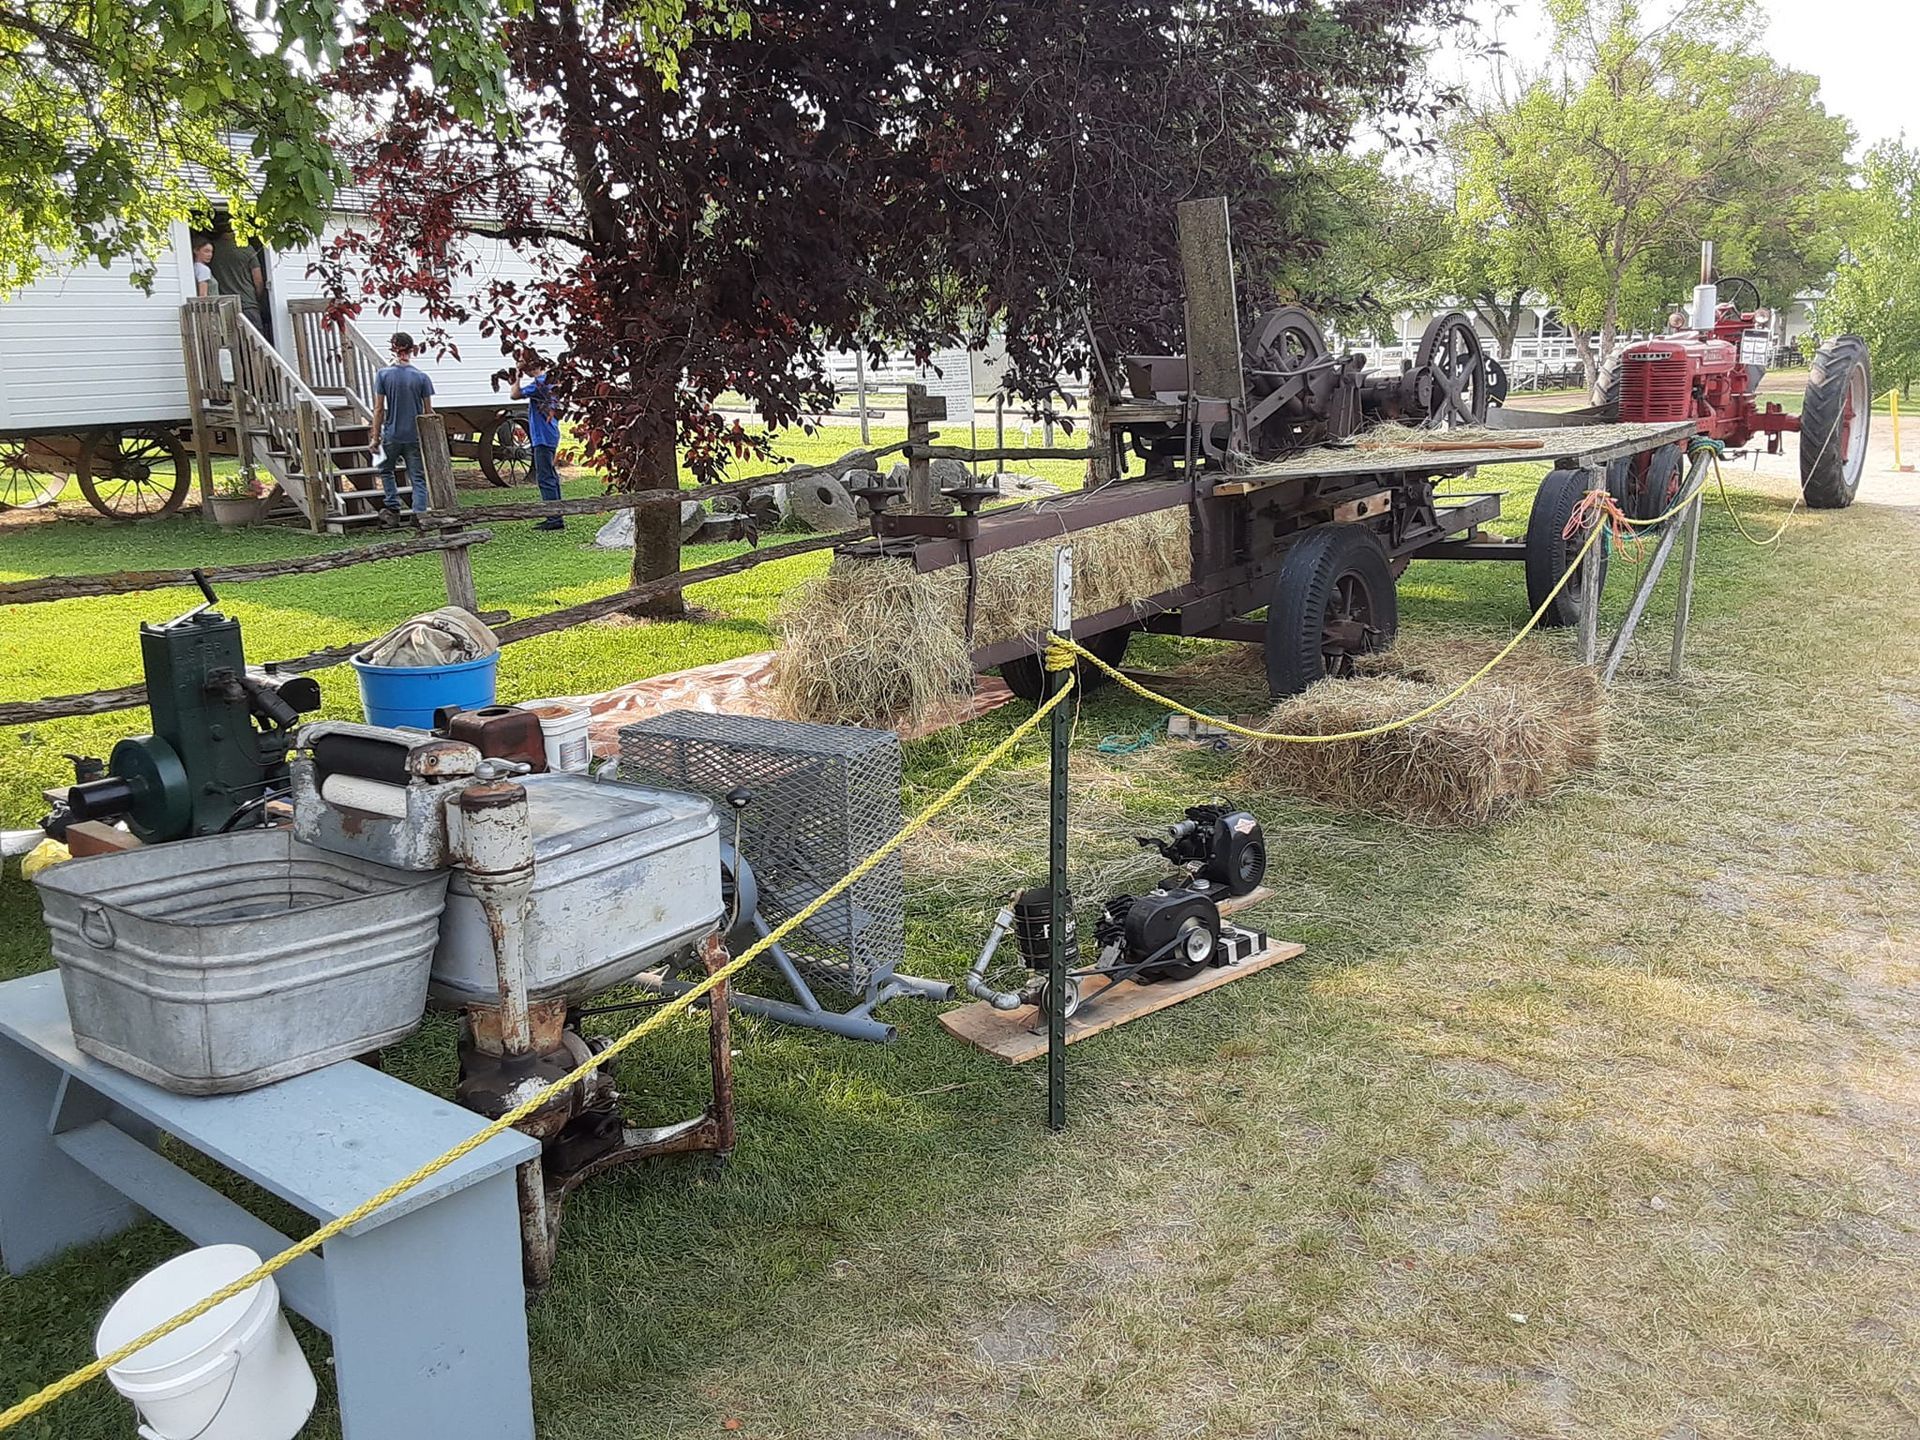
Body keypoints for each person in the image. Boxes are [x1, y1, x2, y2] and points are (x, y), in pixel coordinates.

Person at [370, 333, 436, 526]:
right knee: (417, 475)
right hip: (414, 434)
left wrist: (375, 437)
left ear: (393, 349)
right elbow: (428, 412)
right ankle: (419, 513)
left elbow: (379, 408)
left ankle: (392, 507)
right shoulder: (422, 377)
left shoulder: (383, 375)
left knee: (385, 469)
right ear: (412, 349)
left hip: (392, 433)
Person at [512, 353, 564, 531]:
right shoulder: (551, 381)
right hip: (550, 433)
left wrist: (516, 375)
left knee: (545, 477)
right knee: (550, 474)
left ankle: (554, 518)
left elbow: (514, 394)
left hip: (542, 436)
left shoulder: (539, 383)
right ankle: (557, 512)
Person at [208, 231, 266, 330]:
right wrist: (258, 299)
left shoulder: (213, 250)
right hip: (248, 303)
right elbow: (258, 280)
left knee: (232, 341)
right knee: (256, 340)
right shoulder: (247, 249)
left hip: (225, 304)